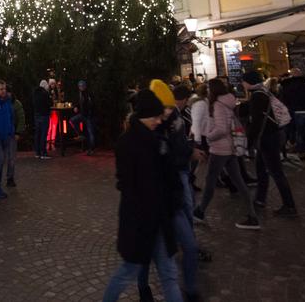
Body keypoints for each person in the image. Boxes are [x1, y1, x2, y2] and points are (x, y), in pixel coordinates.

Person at [102, 89, 183, 302]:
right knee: (128, 271)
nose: (159, 121)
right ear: (145, 116)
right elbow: (127, 184)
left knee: (168, 275)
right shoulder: (129, 143)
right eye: (155, 117)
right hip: (140, 222)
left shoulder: (156, 138)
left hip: (158, 219)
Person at [139, 81, 204, 302]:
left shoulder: (172, 120)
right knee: (149, 256)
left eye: (169, 108)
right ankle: (144, 289)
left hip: (172, 198)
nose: (167, 113)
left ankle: (191, 289)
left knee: (188, 246)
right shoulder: (145, 134)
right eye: (163, 109)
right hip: (155, 206)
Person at [194, 79, 259, 230]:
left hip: (220, 148)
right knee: (238, 181)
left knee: (210, 181)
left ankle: (200, 212)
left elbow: (221, 128)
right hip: (230, 147)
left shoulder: (217, 105)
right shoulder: (228, 101)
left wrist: (208, 136)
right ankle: (252, 215)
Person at [244, 71, 297, 217]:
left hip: (267, 138)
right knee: (261, 169)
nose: (242, 84)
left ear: (249, 82)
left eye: (244, 81)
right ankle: (260, 198)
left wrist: (248, 143)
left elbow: (256, 122)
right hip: (271, 135)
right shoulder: (264, 93)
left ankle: (289, 205)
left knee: (276, 172)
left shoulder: (257, 97)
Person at [281, 68, 305, 166]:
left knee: (300, 133)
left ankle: (301, 154)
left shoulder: (288, 85)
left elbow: (285, 99)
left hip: (297, 112)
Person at [70, 80, 96, 155]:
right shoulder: (80, 93)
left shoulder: (88, 94)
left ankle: (91, 149)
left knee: (91, 133)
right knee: (72, 120)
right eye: (80, 86)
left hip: (88, 115)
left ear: (85, 86)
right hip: (83, 114)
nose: (81, 87)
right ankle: (81, 134)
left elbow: (90, 104)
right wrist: (76, 106)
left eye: (82, 86)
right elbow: (79, 102)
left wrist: (88, 112)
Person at [8, 89, 25, 187]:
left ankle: (10, 177)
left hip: (12, 133)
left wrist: (18, 132)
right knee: (0, 158)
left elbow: (21, 118)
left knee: (11, 158)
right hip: (2, 134)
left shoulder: (16, 104)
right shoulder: (1, 102)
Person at [31, 79, 51, 160]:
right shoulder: (45, 93)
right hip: (44, 115)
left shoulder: (35, 93)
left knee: (38, 134)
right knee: (43, 134)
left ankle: (37, 152)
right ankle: (43, 153)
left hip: (37, 115)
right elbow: (49, 103)